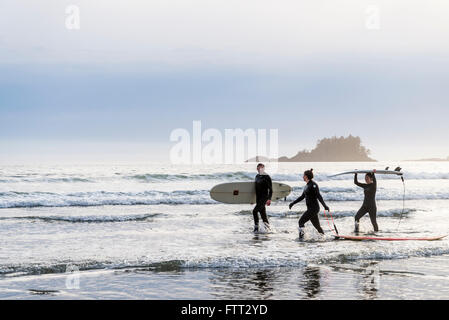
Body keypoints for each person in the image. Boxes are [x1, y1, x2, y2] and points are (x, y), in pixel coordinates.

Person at [289, 169, 329, 239]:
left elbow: (319, 196)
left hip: (314, 209)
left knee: (301, 222)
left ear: (306, 176)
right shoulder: (307, 186)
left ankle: (301, 238)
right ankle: (324, 238)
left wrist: (325, 205)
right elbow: (302, 197)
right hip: (311, 209)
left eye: (304, 175)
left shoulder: (313, 185)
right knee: (317, 226)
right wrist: (293, 203)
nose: (303, 177)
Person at [253, 163, 273, 233]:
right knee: (263, 215)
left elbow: (271, 190)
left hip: (264, 197)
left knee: (254, 211)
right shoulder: (257, 176)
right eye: (259, 168)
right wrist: (252, 199)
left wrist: (269, 199)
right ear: (257, 169)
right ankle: (269, 229)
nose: (261, 169)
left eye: (262, 168)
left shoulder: (267, 177)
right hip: (258, 198)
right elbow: (256, 189)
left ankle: (256, 228)